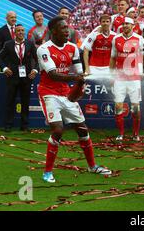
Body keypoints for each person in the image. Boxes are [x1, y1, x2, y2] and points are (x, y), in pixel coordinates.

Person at [37, 16, 111, 183]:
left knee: (83, 130)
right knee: (57, 130)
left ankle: (92, 166)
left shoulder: (73, 48)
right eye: (63, 28)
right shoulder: (44, 49)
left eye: (67, 27)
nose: (67, 30)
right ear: (53, 31)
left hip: (66, 93)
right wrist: (76, 79)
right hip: (49, 93)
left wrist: (78, 89)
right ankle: (47, 172)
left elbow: (79, 73)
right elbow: (53, 74)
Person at [110, 17, 144, 142]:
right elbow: (113, 58)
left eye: (128, 24)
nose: (125, 26)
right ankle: (121, 133)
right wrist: (111, 75)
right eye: (124, 24)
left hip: (134, 79)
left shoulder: (139, 39)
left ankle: (135, 134)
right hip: (119, 79)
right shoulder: (116, 39)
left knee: (135, 108)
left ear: (133, 25)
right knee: (118, 106)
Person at [0, 24, 38, 132]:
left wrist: (35, 70)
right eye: (18, 30)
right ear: (15, 32)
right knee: (10, 101)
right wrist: (5, 68)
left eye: (22, 30)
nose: (20, 32)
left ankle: (24, 126)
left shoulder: (30, 44)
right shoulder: (8, 44)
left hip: (27, 77)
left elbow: (37, 59)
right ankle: (8, 125)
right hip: (12, 76)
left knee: (26, 101)